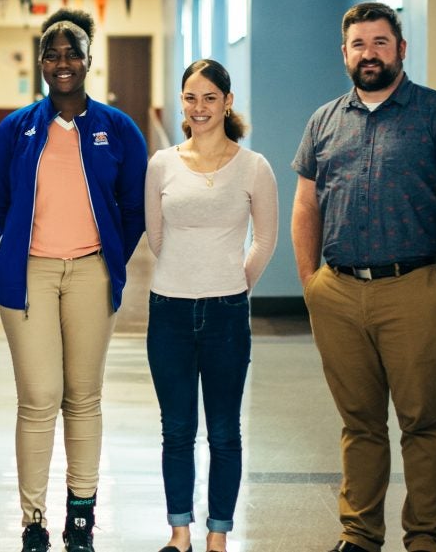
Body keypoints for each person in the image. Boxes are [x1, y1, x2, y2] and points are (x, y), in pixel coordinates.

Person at [291, 2, 436, 552]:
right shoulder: (324, 121)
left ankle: (424, 538)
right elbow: (306, 207)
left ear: (401, 49)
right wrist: (312, 284)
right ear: (345, 53)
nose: (369, 53)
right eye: (359, 44)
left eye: (380, 42)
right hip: (339, 290)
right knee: (359, 423)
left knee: (422, 422)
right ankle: (359, 535)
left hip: (414, 288)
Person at [0, 8, 148, 552]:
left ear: (88, 60)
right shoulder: (15, 128)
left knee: (83, 396)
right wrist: (25, 249)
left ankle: (81, 514)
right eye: (53, 54)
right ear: (40, 61)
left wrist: (109, 257)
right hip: (28, 273)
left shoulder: (116, 128)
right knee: (38, 396)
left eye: (72, 52)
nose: (63, 63)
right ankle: (33, 521)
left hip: (91, 271)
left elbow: (134, 205)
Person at [144, 59, 278, 552]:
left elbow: (264, 240)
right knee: (177, 429)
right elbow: (157, 237)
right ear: (181, 102)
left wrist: (229, 282)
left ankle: (217, 536)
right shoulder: (162, 164)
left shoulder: (253, 166)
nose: (199, 108)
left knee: (224, 431)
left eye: (209, 98)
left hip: (226, 312)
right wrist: (188, 273)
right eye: (190, 98)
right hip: (169, 311)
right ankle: (180, 534)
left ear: (227, 102)